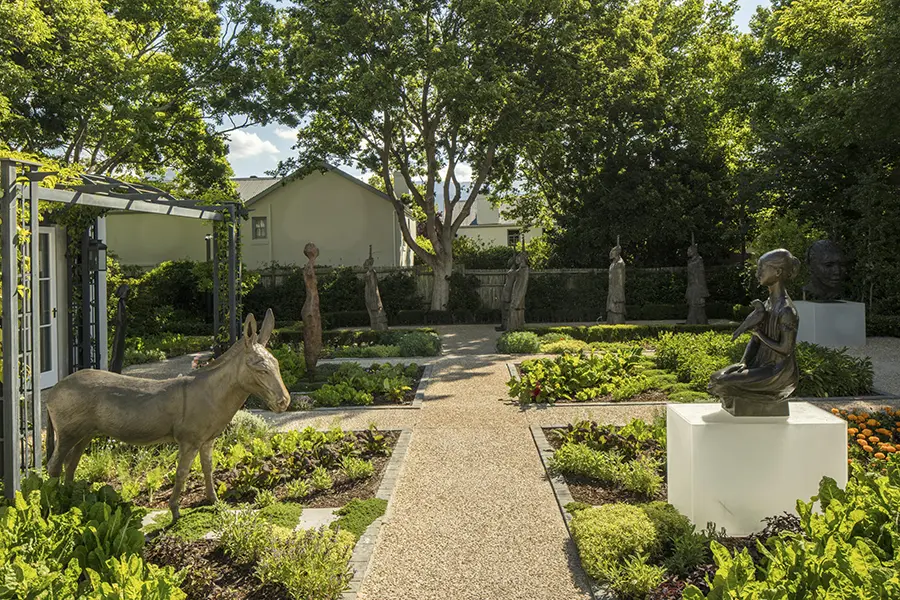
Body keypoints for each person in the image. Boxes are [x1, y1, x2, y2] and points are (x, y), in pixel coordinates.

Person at [708, 248, 801, 417]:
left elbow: (786, 349)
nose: (758, 273)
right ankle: (745, 398)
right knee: (715, 378)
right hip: (758, 364)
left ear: (778, 272)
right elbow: (754, 341)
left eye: (762, 268)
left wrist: (760, 335)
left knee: (722, 382)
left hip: (777, 371)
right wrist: (744, 362)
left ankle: (759, 399)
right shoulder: (766, 304)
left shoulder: (787, 311)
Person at [685, 239, 709, 325]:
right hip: (692, 287)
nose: (687, 252)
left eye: (689, 250)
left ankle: (698, 323)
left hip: (698, 287)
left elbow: (701, 277)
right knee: (692, 306)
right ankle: (693, 323)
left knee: (697, 307)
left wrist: (702, 293)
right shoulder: (691, 261)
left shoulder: (699, 261)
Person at [606, 242, 626, 325]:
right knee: (611, 308)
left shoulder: (620, 264)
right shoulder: (612, 264)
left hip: (617, 290)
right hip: (611, 289)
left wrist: (618, 293)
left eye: (613, 251)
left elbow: (620, 280)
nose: (611, 253)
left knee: (617, 307)